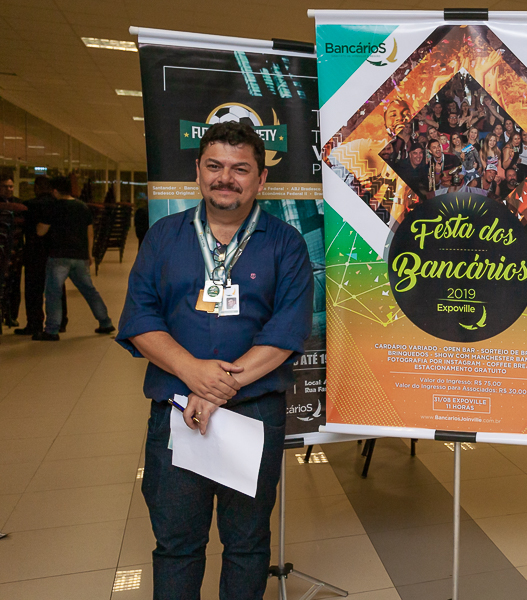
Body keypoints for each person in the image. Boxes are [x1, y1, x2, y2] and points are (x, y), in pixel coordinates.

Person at [116, 121, 313, 600]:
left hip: (254, 412)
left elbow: (287, 330)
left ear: (261, 179)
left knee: (247, 542)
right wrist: (194, 374)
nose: (226, 178)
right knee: (176, 542)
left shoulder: (285, 243)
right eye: (215, 166)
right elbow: (140, 318)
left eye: (240, 169)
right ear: (198, 172)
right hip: (176, 410)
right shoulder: (164, 237)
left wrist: (219, 387)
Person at [34, 176, 114, 341]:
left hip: (59, 256)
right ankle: (105, 322)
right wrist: (89, 254)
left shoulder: (53, 207)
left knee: (53, 293)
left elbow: (41, 231)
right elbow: (89, 232)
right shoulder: (82, 207)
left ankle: (52, 330)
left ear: (55, 191)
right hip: (79, 256)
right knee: (89, 291)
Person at [15, 175, 68, 336]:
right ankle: (60, 322)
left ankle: (34, 323)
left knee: (33, 289)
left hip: (35, 251)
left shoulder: (29, 205)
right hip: (56, 251)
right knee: (58, 287)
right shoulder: (61, 205)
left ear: (36, 188)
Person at [1, 174, 25, 328]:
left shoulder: (19, 205)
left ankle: (11, 316)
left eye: (11, 186)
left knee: (14, 284)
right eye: (5, 186)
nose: (9, 189)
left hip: (15, 251)